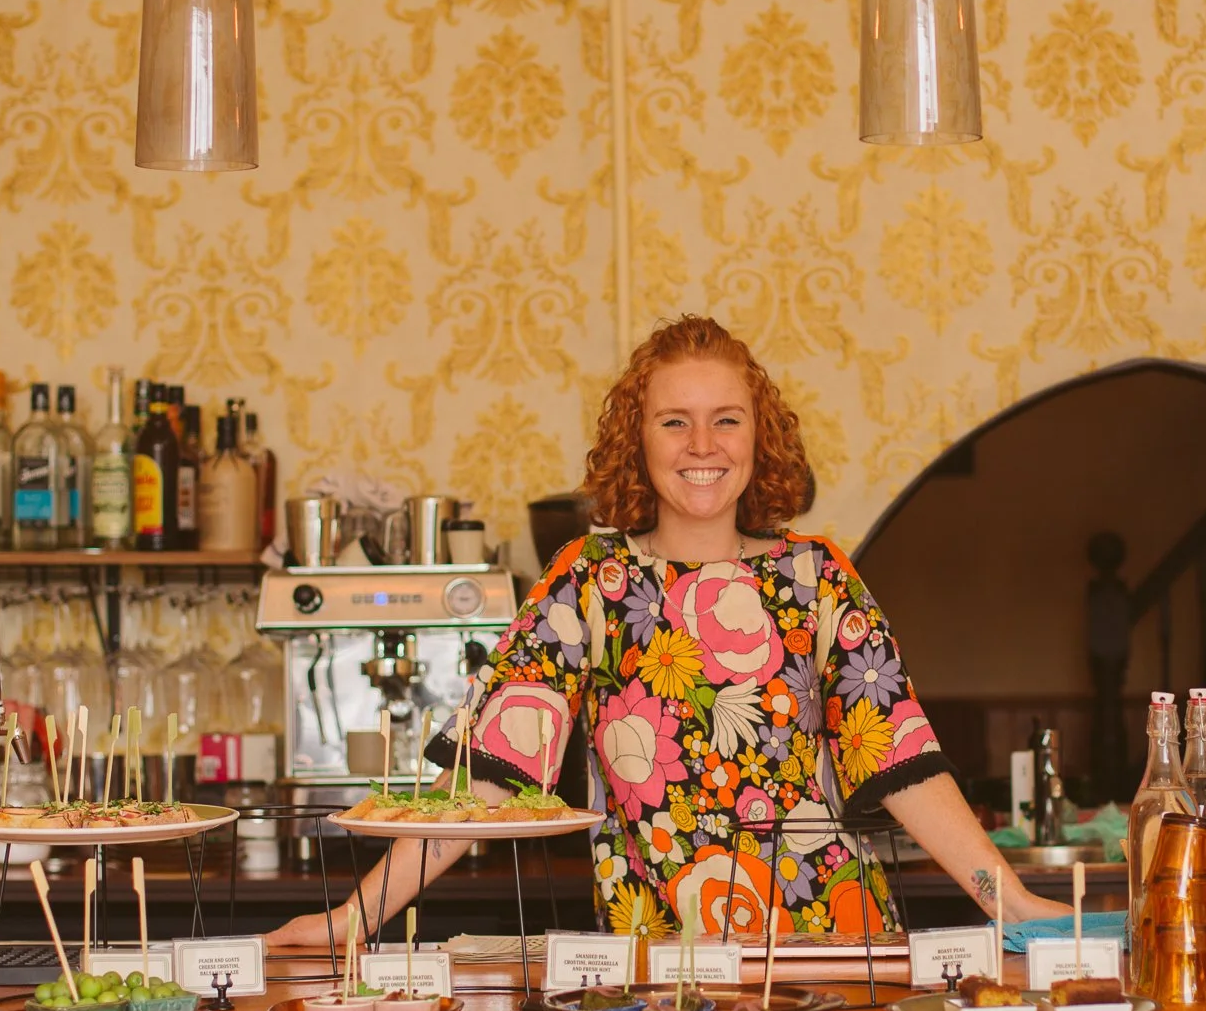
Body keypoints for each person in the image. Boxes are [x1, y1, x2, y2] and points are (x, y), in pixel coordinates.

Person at [266, 315, 1070, 947]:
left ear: (761, 436)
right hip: (657, 964)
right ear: (636, 440)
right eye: (674, 423)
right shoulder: (589, 584)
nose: (703, 447)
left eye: (726, 420)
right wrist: (356, 919)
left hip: (830, 945)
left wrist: (1011, 902)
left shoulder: (819, 579)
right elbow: (491, 775)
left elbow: (898, 756)